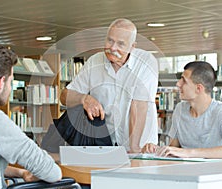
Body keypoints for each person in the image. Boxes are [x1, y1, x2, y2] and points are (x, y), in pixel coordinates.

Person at [0, 43, 86, 189]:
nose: (10, 88)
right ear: (0, 82)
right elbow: (52, 172)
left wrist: (21, 173)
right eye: (11, 81)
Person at [60, 18, 159, 153]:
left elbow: (139, 106)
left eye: (120, 44)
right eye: (110, 40)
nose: (113, 48)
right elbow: (65, 96)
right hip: (103, 144)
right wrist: (84, 99)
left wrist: (134, 148)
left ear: (132, 47)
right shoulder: (94, 61)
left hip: (141, 145)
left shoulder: (146, 62)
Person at [154, 61, 222, 159]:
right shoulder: (180, 109)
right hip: (185, 171)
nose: (178, 84)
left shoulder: (221, 111)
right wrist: (157, 149)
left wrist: (189, 153)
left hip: (214, 172)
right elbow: (173, 148)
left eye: (183, 80)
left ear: (198, 88)